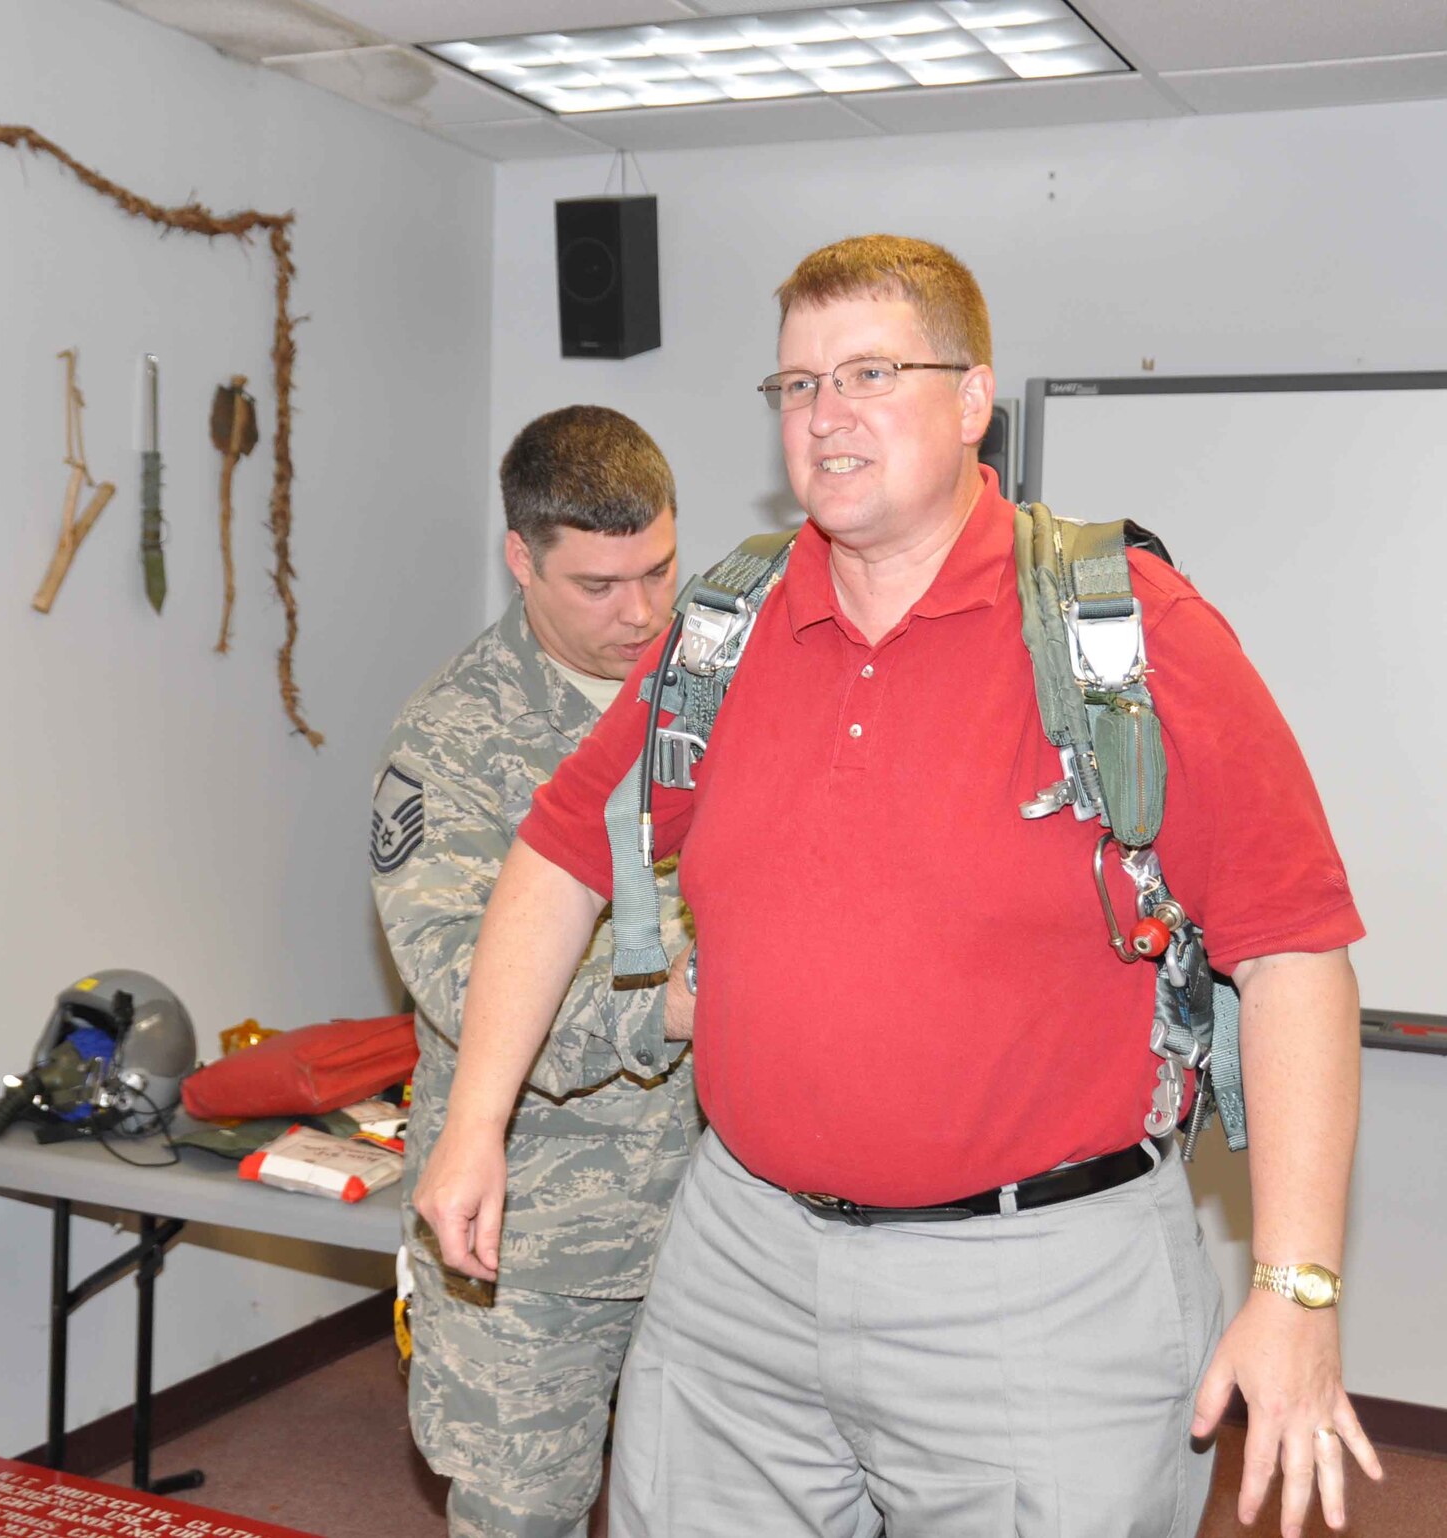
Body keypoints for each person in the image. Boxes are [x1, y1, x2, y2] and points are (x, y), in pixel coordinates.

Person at [414, 236, 1384, 1538]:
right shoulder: (727, 629)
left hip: (1042, 1285)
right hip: (741, 1261)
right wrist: (476, 1117)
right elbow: (561, 852)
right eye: (798, 384)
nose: (827, 414)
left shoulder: (1131, 631)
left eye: (871, 370)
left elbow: (1294, 955)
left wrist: (1299, 1288)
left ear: (974, 398)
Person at [372, 405, 700, 1538]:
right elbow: (469, 987)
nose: (641, 611)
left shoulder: (717, 694)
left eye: (657, 569)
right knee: (523, 1516)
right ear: (520, 558)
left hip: (721, 1213)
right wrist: (668, 1002)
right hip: (536, 1237)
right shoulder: (453, 742)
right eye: (599, 584)